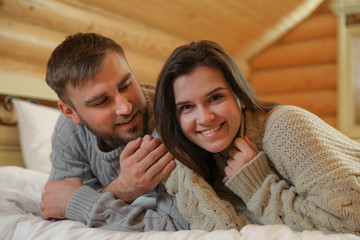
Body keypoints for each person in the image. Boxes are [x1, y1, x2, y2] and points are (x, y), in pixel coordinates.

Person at [154, 40, 360, 235]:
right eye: (187, 107)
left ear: (240, 97)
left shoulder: (284, 127)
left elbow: (348, 222)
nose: (205, 118)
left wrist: (258, 186)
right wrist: (174, 159)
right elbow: (225, 231)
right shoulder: (209, 159)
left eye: (216, 97)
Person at [40, 32, 189, 231]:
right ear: (70, 112)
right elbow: (58, 210)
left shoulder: (173, 118)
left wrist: (82, 202)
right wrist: (124, 188)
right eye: (101, 101)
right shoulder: (70, 132)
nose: (125, 107)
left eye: (126, 85)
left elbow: (178, 226)